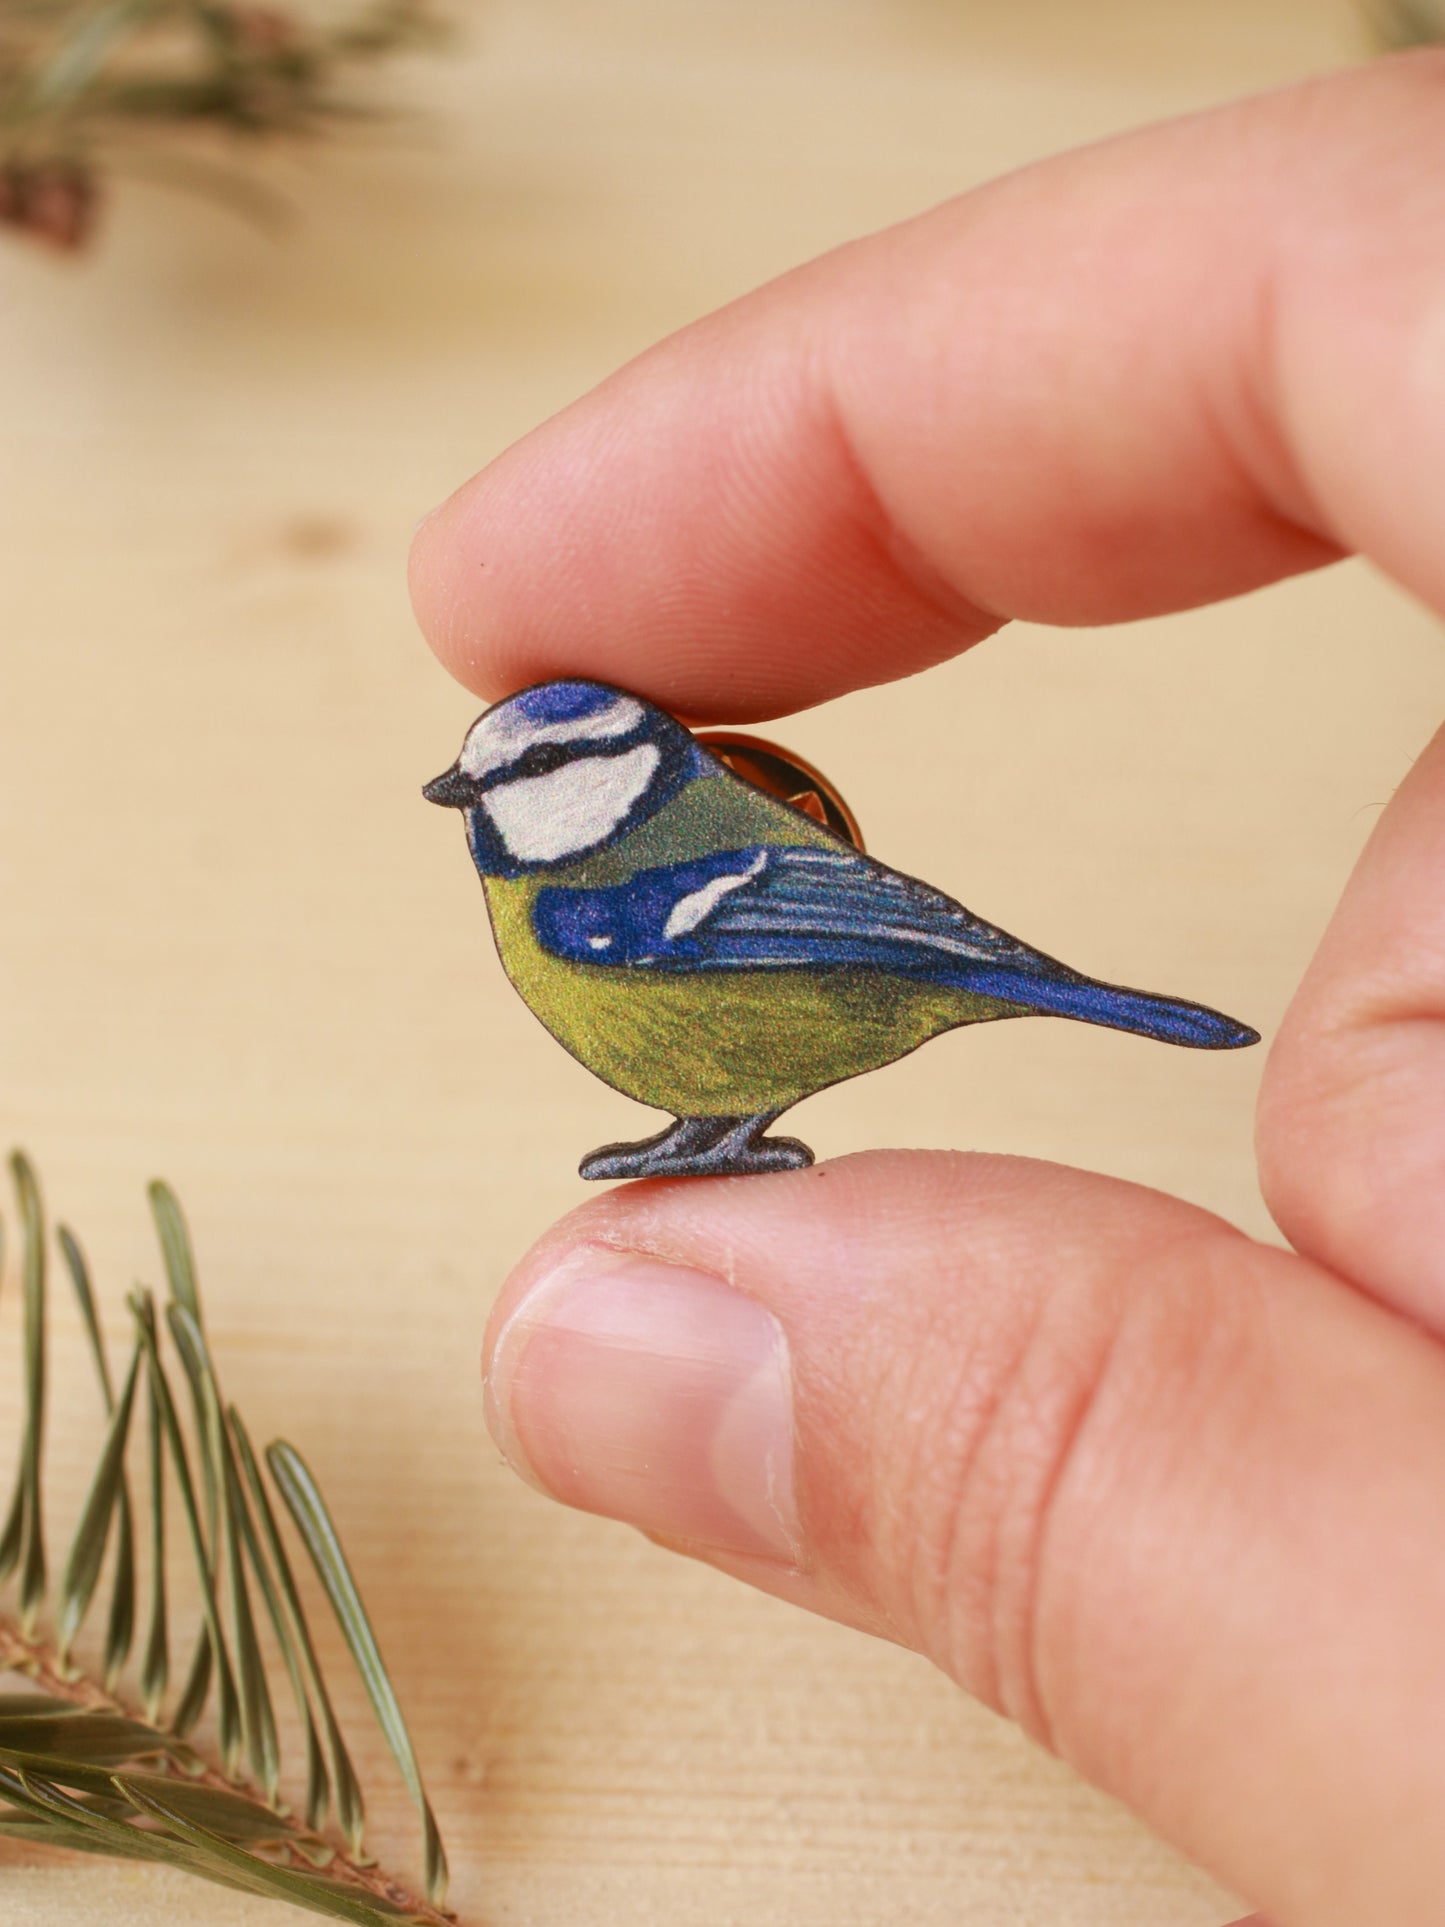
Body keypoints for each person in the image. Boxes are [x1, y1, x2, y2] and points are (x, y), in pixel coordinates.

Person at [408, 55, 1445, 1926]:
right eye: (480, 789)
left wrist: (970, 978)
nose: (476, 813)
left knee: (833, 1040)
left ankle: (737, 1128)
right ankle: (725, 1130)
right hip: (815, 993)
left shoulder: (605, 904)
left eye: (511, 791)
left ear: (608, 794)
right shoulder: (587, 864)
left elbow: (815, 921)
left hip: (837, 979)